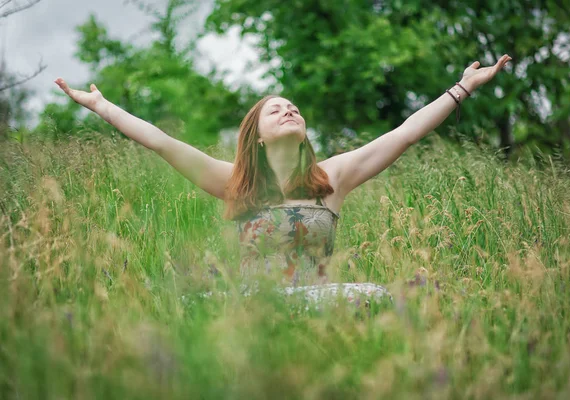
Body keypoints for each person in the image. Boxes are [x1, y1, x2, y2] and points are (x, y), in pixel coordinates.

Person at [55, 54, 512, 310]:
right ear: (255, 135)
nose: (289, 109)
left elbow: (407, 132)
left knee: (384, 299)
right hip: (256, 306)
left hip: (319, 300)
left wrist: (464, 86)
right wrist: (102, 107)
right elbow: (162, 142)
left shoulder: (334, 177)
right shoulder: (233, 183)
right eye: (276, 109)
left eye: (294, 107)